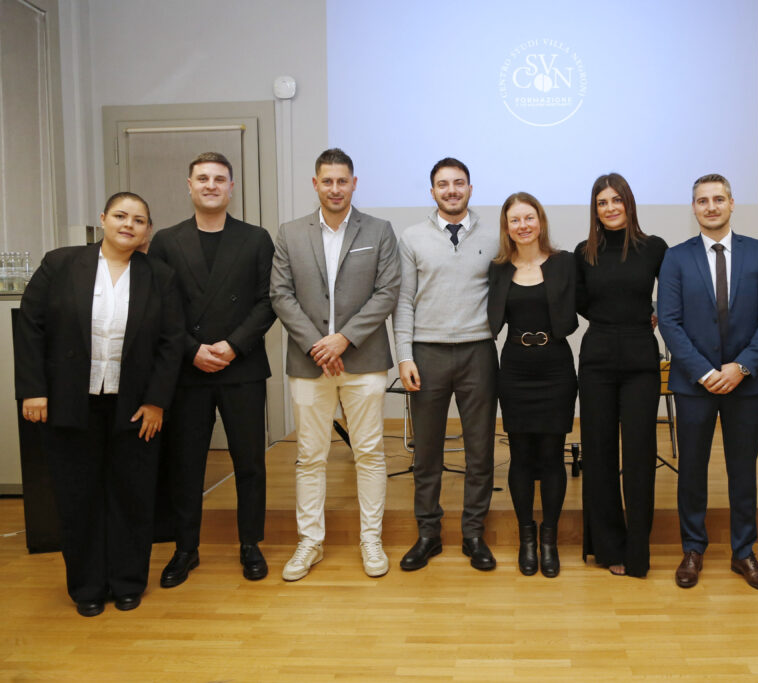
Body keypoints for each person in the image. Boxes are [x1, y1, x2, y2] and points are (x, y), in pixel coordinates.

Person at [15, 192, 183, 616]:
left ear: (148, 230)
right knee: (78, 497)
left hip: (135, 408)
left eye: (139, 220)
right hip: (69, 403)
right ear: (103, 219)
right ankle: (87, 587)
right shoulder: (60, 264)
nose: (129, 225)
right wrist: (33, 389)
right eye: (121, 216)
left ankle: (127, 582)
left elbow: (170, 343)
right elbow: (31, 327)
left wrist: (156, 402)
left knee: (132, 495)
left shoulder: (160, 276)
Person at [270, 148, 401, 579]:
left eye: (342, 180)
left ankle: (371, 539)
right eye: (327, 181)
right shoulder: (290, 233)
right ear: (315, 184)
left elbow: (387, 291)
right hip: (309, 364)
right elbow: (280, 294)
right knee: (310, 456)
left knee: (369, 453)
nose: (335, 188)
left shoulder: (379, 231)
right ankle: (310, 542)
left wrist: (343, 339)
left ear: (354, 183)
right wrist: (317, 345)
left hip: (364, 361)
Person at [149, 152, 276, 587]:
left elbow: (268, 301)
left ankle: (250, 544)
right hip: (188, 371)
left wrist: (233, 345)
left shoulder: (256, 238)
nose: (210, 185)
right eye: (202, 178)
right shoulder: (167, 241)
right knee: (186, 464)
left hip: (242, 368)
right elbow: (158, 307)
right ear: (189, 186)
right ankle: (185, 548)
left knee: (250, 462)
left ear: (231, 188)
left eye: (219, 179)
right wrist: (192, 349)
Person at [658, 174, 758, 591]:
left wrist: (741, 367)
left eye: (717, 199)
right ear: (693, 208)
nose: (710, 207)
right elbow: (670, 322)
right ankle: (693, 549)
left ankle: (743, 552)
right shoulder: (676, 257)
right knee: (692, 470)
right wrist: (706, 372)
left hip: (746, 383)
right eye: (702, 200)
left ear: (731, 203)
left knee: (742, 471)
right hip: (694, 384)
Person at [394, 157, 500, 572]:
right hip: (427, 354)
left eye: (459, 183)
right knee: (426, 452)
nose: (451, 190)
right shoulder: (412, 237)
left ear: (471, 189)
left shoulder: (495, 236)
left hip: (478, 352)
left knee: (480, 451)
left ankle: (474, 533)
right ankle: (428, 534)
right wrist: (405, 356)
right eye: (443, 184)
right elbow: (404, 301)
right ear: (432, 191)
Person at [575, 173, 667, 578]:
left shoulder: (655, 248)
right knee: (598, 454)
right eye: (602, 202)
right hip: (596, 357)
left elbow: (675, 294)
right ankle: (608, 546)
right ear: (594, 210)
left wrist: (652, 315)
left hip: (640, 359)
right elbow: (579, 302)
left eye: (616, 200)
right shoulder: (583, 253)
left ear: (628, 203)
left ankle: (637, 549)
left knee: (639, 455)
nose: (610, 208)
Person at [487, 192, 577, 577]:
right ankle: (527, 538)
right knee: (521, 456)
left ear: (540, 221)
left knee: (553, 455)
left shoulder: (564, 263)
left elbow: (596, 300)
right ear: (507, 228)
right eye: (515, 220)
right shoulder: (497, 269)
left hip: (556, 368)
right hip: (515, 370)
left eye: (529, 218)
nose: (523, 226)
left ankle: (549, 540)